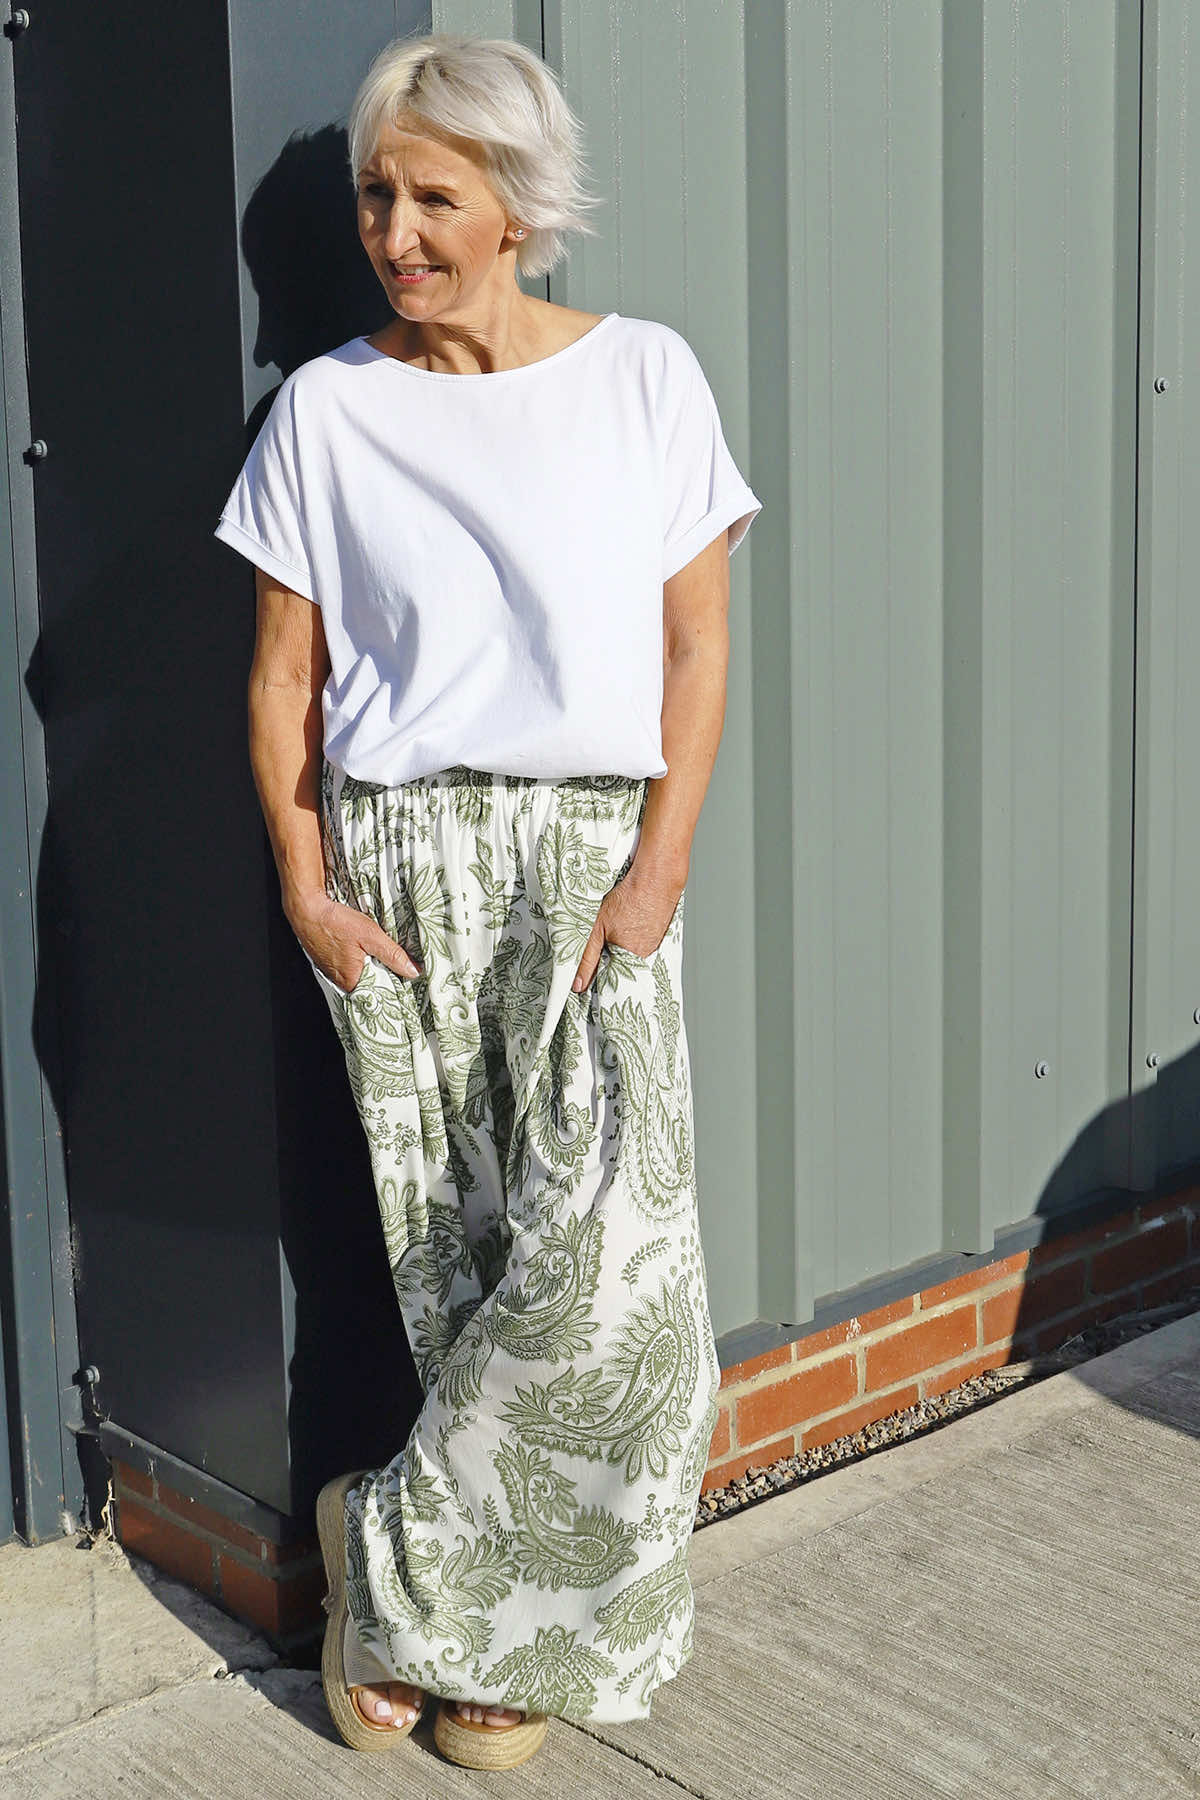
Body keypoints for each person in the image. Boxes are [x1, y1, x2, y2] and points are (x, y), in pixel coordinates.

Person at [214, 28, 762, 1773]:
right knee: (459, 1274)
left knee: (617, 1293)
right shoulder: (327, 411)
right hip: (405, 870)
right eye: (376, 196)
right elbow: (283, 678)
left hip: (592, 867)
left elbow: (697, 647)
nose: (394, 233)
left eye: (432, 197)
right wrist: (308, 889)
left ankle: (377, 1545)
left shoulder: (648, 377)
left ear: (517, 205)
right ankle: (478, 1641)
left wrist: (660, 865)